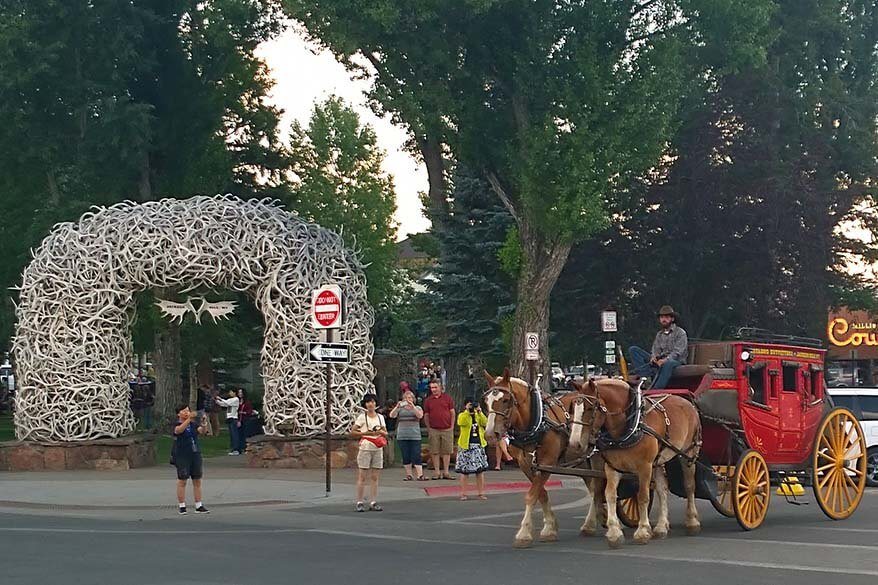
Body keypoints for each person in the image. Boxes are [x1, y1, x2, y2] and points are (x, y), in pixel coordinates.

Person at [628, 305, 689, 390]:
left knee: (668, 364)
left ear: (672, 319)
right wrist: (654, 357)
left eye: (667, 317)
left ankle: (656, 389)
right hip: (660, 360)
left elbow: (678, 352)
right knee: (633, 350)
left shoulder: (680, 333)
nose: (664, 319)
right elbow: (655, 349)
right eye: (662, 317)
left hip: (675, 361)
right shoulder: (659, 334)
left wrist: (665, 360)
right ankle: (646, 378)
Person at [172, 404, 209, 515]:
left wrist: (203, 423)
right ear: (179, 413)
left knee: (197, 480)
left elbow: (202, 431)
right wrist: (189, 419)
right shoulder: (177, 423)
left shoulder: (193, 424)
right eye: (184, 411)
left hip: (195, 453)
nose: (187, 412)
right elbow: (178, 430)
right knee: (182, 480)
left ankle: (198, 505)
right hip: (182, 455)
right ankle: (182, 506)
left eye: (188, 410)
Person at [352, 393, 387, 512]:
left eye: (372, 402)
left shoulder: (380, 417)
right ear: (365, 404)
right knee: (362, 476)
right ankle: (360, 501)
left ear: (376, 404)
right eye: (368, 402)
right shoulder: (362, 417)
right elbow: (353, 431)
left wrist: (380, 432)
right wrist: (366, 433)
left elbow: (385, 431)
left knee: (375, 476)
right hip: (366, 447)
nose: (370, 404)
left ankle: (373, 501)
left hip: (377, 448)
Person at [455, 399, 489, 500]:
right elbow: (461, 422)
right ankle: (463, 493)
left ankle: (481, 493)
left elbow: (485, 422)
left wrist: (479, 412)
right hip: (466, 445)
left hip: (478, 444)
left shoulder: (478, 415)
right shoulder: (462, 415)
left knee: (480, 471)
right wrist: (468, 412)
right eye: (470, 405)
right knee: (464, 471)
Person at [389, 389, 427, 481]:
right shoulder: (400, 409)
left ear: (413, 399)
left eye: (410, 398)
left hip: (414, 435)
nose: (408, 399)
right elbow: (392, 415)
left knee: (416, 454)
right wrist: (397, 407)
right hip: (402, 435)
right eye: (406, 398)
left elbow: (420, 416)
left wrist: (412, 406)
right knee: (405, 455)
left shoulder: (417, 408)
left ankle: (420, 475)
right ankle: (409, 474)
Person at [423, 380, 456, 480]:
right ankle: (437, 472)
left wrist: (452, 426)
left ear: (440, 387)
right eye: (432, 388)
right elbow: (426, 415)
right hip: (434, 429)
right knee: (434, 451)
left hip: (447, 428)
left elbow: (452, 413)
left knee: (447, 451)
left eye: (435, 387)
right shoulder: (428, 400)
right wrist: (429, 428)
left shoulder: (447, 398)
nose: (433, 390)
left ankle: (446, 472)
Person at [215, 389, 241, 455]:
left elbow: (227, 403)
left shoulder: (236, 399)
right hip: (229, 418)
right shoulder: (230, 399)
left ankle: (236, 449)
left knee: (234, 434)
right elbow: (224, 404)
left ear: (234, 393)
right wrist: (217, 401)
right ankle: (232, 448)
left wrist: (220, 398)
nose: (230, 393)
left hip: (234, 418)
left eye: (231, 392)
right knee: (232, 435)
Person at [236, 388, 254, 454]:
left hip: (245, 419)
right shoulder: (236, 401)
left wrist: (244, 412)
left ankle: (246, 447)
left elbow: (250, 411)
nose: (240, 394)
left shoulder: (247, 402)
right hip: (238, 419)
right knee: (239, 434)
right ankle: (240, 447)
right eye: (239, 392)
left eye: (241, 392)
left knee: (245, 434)